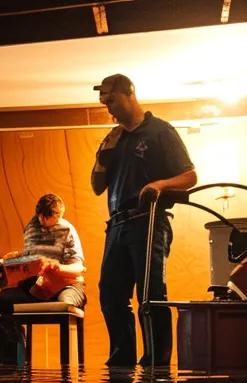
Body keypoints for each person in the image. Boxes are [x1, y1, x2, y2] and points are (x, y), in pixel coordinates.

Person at [91, 73, 197, 367]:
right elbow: (97, 187)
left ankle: (155, 365)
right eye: (104, 103)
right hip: (117, 224)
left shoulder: (159, 131)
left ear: (130, 94)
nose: (108, 109)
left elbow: (190, 176)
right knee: (111, 295)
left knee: (150, 294)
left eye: (111, 101)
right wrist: (103, 157)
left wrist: (160, 185)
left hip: (148, 220)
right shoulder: (114, 138)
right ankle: (121, 362)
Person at [0, 193, 87, 316]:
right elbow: (29, 256)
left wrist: (57, 267)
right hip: (35, 285)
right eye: (40, 217)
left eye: (47, 217)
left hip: (64, 285)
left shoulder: (67, 230)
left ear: (59, 214)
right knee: (2, 300)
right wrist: (15, 259)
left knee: (64, 304)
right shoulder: (31, 228)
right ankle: (17, 335)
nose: (42, 221)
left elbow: (77, 268)